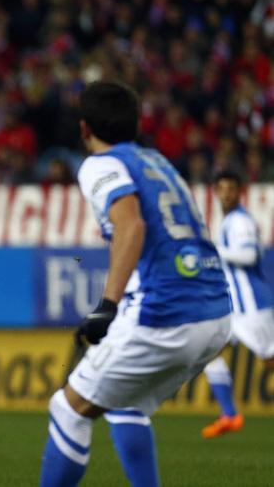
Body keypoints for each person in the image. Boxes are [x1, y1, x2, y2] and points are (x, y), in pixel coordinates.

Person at [39, 81, 231, 487]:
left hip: (164, 315)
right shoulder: (158, 162)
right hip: (216, 314)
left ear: (84, 127)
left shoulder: (100, 164)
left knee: (68, 409)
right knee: (125, 403)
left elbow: (132, 225)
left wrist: (107, 306)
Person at [200, 171, 274, 438]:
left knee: (270, 360)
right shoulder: (229, 221)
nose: (226, 194)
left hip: (252, 305)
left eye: (231, 189)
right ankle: (230, 414)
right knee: (207, 351)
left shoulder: (240, 221)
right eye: (222, 189)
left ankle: (230, 414)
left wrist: (214, 250)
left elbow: (249, 254)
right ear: (216, 192)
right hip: (234, 308)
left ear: (239, 192)